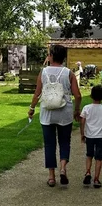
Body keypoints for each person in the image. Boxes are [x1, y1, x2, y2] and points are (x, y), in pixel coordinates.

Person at [28, 44, 82, 187]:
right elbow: (77, 95)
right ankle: (63, 168)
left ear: (51, 56)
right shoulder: (68, 73)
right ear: (63, 57)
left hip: (48, 114)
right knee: (65, 142)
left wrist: (31, 108)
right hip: (65, 113)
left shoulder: (43, 72)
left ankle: (51, 177)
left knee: (49, 144)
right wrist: (77, 110)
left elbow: (37, 93)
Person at [80, 85, 102, 188]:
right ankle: (96, 179)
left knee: (89, 155)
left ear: (91, 96)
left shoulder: (86, 108)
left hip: (89, 136)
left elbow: (82, 121)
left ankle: (88, 172)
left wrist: (82, 134)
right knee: (99, 158)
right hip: (100, 136)